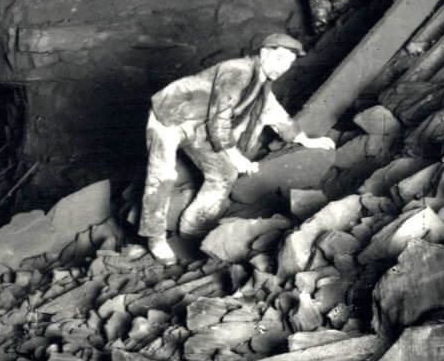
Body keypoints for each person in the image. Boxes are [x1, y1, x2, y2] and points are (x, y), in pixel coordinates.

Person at [140, 32, 336, 262]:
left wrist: (304, 139)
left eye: (289, 63)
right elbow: (220, 118)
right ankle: (155, 238)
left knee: (224, 172)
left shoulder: (261, 84)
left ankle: (192, 227)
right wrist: (235, 155)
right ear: (264, 53)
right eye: (280, 58)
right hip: (170, 117)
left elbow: (274, 112)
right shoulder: (238, 71)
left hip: (198, 124)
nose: (284, 67)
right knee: (163, 174)